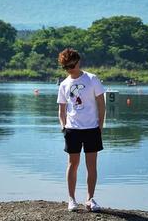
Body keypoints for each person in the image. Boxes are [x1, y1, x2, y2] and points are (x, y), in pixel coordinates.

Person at [57, 48, 105, 212]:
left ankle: (90, 199)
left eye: (71, 65)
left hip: (92, 128)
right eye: (66, 67)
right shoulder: (64, 84)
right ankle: (71, 199)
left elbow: (101, 104)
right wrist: (63, 126)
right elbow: (61, 109)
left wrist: (100, 125)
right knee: (73, 164)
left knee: (91, 165)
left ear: (78, 62)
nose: (69, 69)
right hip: (72, 129)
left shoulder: (92, 79)